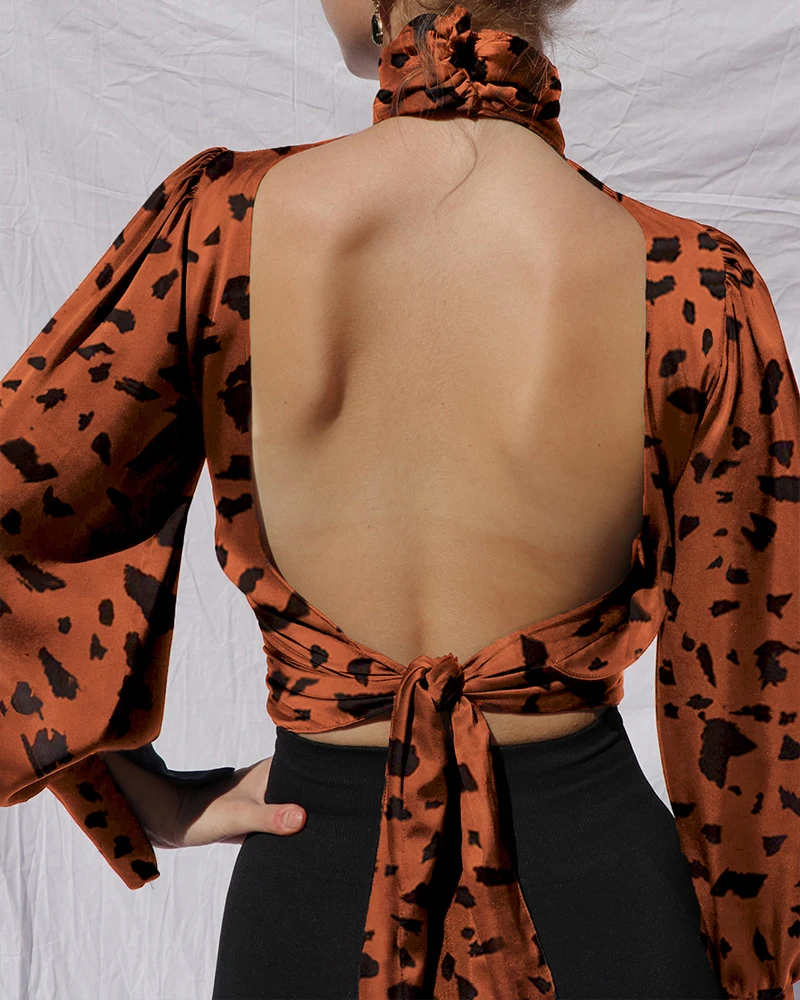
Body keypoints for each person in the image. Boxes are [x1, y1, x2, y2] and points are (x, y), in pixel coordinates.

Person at [1, 2, 798, 999]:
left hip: (312, 901)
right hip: (605, 908)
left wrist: (127, 790)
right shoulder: (695, 286)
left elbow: (22, 506)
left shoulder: (222, 230)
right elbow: (752, 700)